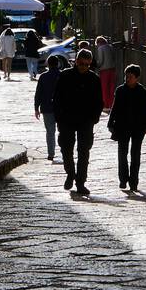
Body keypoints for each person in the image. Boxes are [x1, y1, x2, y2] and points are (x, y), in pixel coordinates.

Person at [53, 48, 103, 196]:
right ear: (76, 62)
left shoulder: (94, 79)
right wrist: (59, 117)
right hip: (66, 119)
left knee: (84, 152)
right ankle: (70, 173)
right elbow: (57, 98)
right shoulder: (65, 76)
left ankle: (81, 182)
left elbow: (98, 102)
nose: (84, 67)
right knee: (66, 149)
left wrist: (94, 118)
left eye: (87, 65)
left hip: (85, 121)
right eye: (81, 63)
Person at [107, 64, 146, 192]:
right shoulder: (120, 90)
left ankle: (134, 182)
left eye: (130, 77)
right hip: (122, 126)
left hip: (138, 127)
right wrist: (110, 123)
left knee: (135, 155)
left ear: (137, 78)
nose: (127, 79)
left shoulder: (142, 91)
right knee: (122, 154)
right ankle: (123, 179)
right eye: (126, 76)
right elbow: (114, 108)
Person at [34, 54, 62, 160]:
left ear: (48, 64)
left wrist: (36, 108)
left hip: (47, 108)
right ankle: (64, 151)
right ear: (58, 64)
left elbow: (38, 93)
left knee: (50, 132)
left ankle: (51, 153)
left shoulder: (43, 76)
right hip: (61, 108)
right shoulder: (62, 75)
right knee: (63, 131)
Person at [95, 34, 117, 109]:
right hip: (112, 69)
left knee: (104, 88)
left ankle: (105, 105)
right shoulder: (110, 47)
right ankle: (111, 104)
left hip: (104, 70)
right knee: (111, 88)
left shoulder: (100, 48)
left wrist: (97, 66)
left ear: (98, 42)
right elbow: (114, 57)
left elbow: (101, 61)